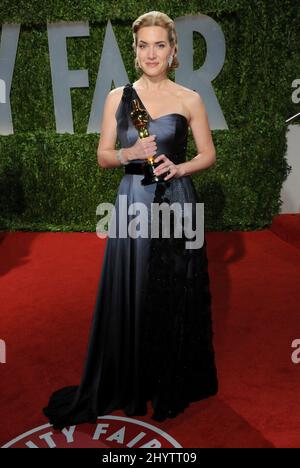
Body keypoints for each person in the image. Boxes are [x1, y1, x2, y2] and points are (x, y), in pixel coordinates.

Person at [43, 10, 218, 429]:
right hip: (133, 202)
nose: (151, 53)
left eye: (160, 45)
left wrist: (181, 169)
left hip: (175, 201)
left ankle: (168, 381)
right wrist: (130, 154)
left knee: (173, 292)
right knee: (133, 289)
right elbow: (104, 156)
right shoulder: (118, 98)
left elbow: (208, 154)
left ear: (173, 51)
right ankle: (131, 381)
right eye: (144, 45)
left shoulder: (188, 98)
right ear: (135, 51)